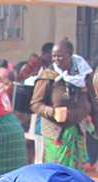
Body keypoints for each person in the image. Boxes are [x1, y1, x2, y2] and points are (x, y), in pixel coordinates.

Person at [30, 39, 98, 171]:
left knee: (77, 172)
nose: (56, 59)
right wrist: (47, 110)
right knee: (58, 171)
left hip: (78, 131)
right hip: (56, 133)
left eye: (60, 56)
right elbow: (35, 103)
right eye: (54, 56)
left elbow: (93, 102)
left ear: (70, 54)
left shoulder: (82, 75)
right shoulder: (48, 76)